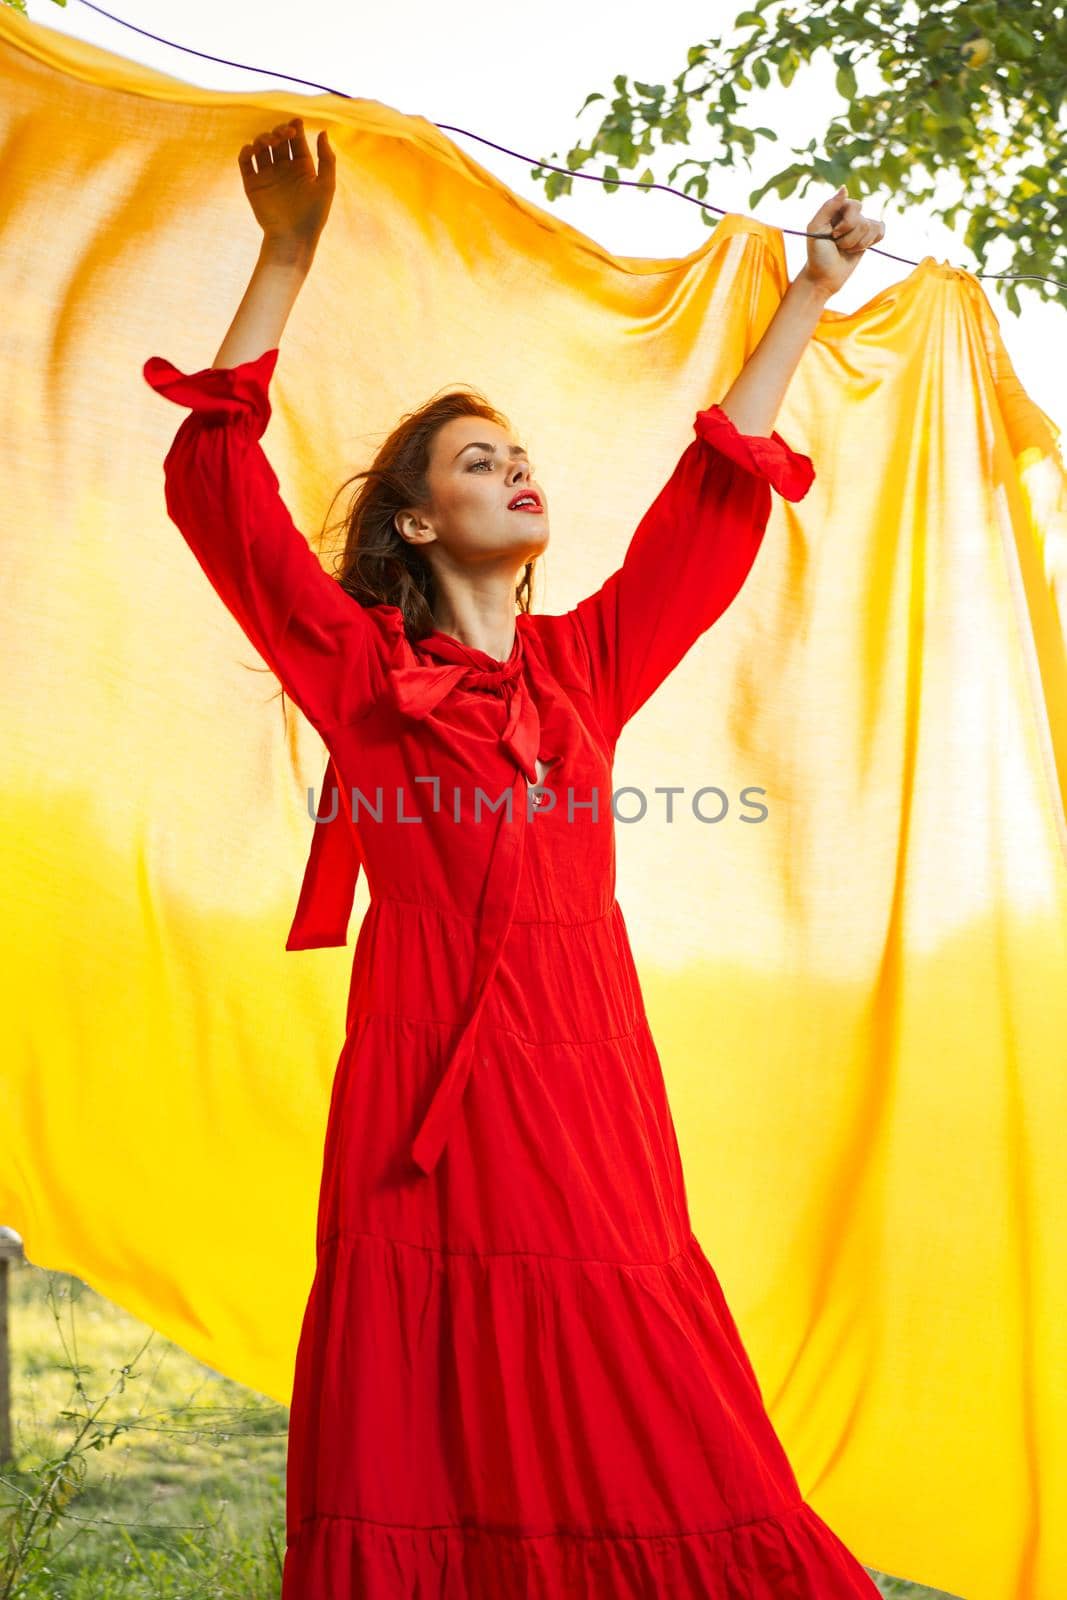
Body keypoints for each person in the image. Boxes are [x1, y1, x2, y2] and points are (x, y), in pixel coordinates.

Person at [143, 116, 886, 1598]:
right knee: (429, 1377)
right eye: (481, 463)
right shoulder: (364, 674)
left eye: (523, 457)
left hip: (585, 1058)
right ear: (422, 519)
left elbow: (708, 508)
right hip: (425, 1067)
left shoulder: (586, 667)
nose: (519, 473)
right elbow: (220, 503)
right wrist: (284, 260)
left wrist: (807, 294)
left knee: (633, 1339)